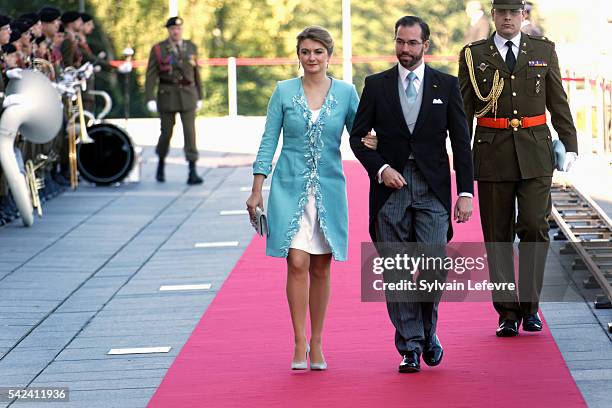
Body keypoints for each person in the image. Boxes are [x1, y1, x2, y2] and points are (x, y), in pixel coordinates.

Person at [247, 26, 376, 371]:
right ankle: (299, 340)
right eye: (305, 52)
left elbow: (361, 137)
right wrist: (257, 187)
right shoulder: (283, 92)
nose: (312, 58)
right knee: (297, 262)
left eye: (318, 52)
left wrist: (385, 153)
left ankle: (318, 341)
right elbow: (267, 141)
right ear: (299, 55)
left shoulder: (347, 93)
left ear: (329, 55)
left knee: (321, 265)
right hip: (288, 188)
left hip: (330, 190)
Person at [350, 16, 474, 373]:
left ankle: (428, 332)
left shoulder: (446, 86)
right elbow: (357, 139)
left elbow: (461, 145)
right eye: (400, 42)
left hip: (432, 188)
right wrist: (381, 169)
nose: (405, 49)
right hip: (389, 191)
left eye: (412, 43)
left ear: (426, 46)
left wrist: (465, 192)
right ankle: (410, 347)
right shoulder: (375, 85)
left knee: (435, 264)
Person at [458, 0, 578, 337]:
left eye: (514, 12)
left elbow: (558, 100)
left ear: (523, 15)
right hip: (492, 152)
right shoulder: (474, 55)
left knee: (534, 226)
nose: (508, 17)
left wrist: (570, 144)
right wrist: (459, 160)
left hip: (535, 152)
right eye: (502, 12)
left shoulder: (543, 50)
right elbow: (463, 110)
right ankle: (507, 312)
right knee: (497, 235)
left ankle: (530, 305)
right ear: (494, 15)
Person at [145, 17, 203, 185]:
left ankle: (192, 169)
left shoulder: (191, 47)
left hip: (188, 94)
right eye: (172, 29)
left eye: (178, 29)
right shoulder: (158, 49)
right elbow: (151, 75)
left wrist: (200, 95)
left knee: (190, 133)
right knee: (166, 132)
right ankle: (161, 162)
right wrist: (150, 97)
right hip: (167, 94)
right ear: (168, 30)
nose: (176, 32)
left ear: (181, 29)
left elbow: (196, 73)